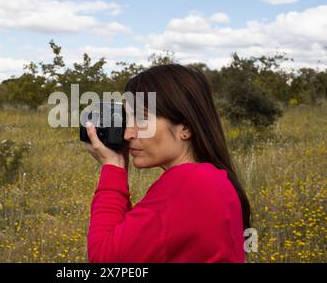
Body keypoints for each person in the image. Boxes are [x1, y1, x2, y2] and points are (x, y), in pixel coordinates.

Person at [84, 64, 250, 263]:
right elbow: (132, 246)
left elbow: (105, 260)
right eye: (129, 119)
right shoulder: (213, 178)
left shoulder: (189, 182)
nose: (128, 134)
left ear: (185, 128)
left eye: (142, 118)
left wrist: (113, 167)